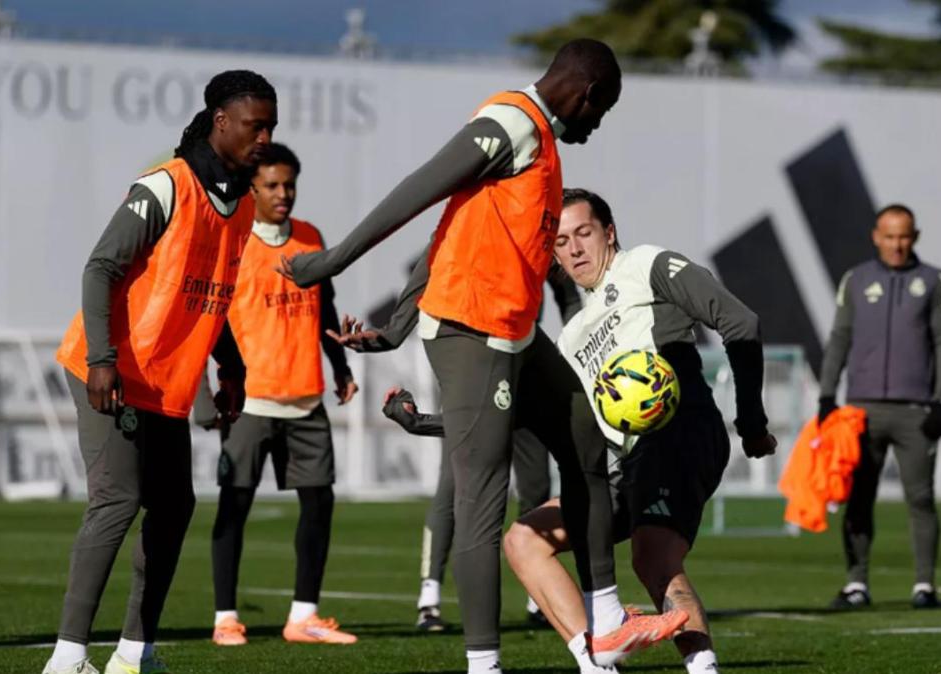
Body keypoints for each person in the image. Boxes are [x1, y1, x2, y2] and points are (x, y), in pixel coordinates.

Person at [282, 39, 685, 672]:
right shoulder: (512, 122)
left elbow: (452, 228)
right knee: (481, 501)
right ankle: (483, 665)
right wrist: (333, 262)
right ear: (587, 96)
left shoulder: (542, 143)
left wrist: (392, 328)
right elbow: (418, 191)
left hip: (518, 334)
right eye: (602, 111)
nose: (599, 123)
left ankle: (604, 620)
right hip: (473, 336)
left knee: (586, 441)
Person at [366, 188, 777, 673]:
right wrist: (425, 424)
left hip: (678, 431)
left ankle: (702, 669)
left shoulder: (647, 265)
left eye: (584, 233)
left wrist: (751, 423)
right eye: (561, 241)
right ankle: (595, 664)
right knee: (524, 540)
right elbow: (512, 413)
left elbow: (740, 322)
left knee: (653, 556)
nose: (575, 249)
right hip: (624, 463)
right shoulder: (571, 336)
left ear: (609, 232)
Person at [45, 71, 277, 674]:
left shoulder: (241, 202)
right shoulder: (165, 186)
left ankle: (133, 654)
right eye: (257, 125)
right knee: (117, 501)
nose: (265, 137)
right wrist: (102, 361)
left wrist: (232, 368)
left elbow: (213, 298)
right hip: (110, 371)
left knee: (174, 507)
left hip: (167, 382)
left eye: (272, 127)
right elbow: (99, 269)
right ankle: (67, 659)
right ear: (221, 121)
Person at [341, 250, 579, 632]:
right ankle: (429, 599)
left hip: (528, 372)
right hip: (474, 369)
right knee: (455, 485)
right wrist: (392, 332)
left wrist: (574, 338)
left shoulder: (535, 236)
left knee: (536, 485)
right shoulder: (468, 233)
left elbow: (567, 293)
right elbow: (426, 276)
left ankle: (539, 598)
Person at [206, 142, 360, 648]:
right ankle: (225, 618)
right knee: (234, 507)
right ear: (251, 189)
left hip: (306, 398)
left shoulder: (312, 237)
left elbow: (327, 308)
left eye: (288, 184)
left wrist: (341, 366)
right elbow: (216, 321)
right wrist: (224, 380)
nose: (282, 193)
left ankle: (303, 617)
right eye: (271, 185)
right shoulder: (234, 241)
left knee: (320, 506)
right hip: (253, 402)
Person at [818, 203, 941, 610]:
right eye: (889, 236)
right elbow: (839, 338)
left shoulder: (935, 281)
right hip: (861, 409)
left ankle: (924, 586)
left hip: (916, 410)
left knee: (921, 498)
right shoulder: (856, 280)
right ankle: (857, 583)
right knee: (859, 498)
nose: (897, 244)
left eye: (904, 236)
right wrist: (828, 395)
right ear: (876, 236)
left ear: (914, 237)